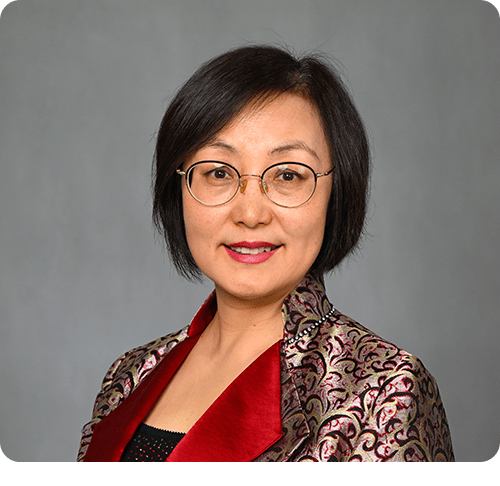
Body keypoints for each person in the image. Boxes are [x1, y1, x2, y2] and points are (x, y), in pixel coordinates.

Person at [77, 45, 454, 462]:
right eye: (219, 172)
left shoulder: (386, 390)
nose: (251, 214)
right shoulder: (129, 375)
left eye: (288, 175)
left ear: (337, 191)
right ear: (177, 188)